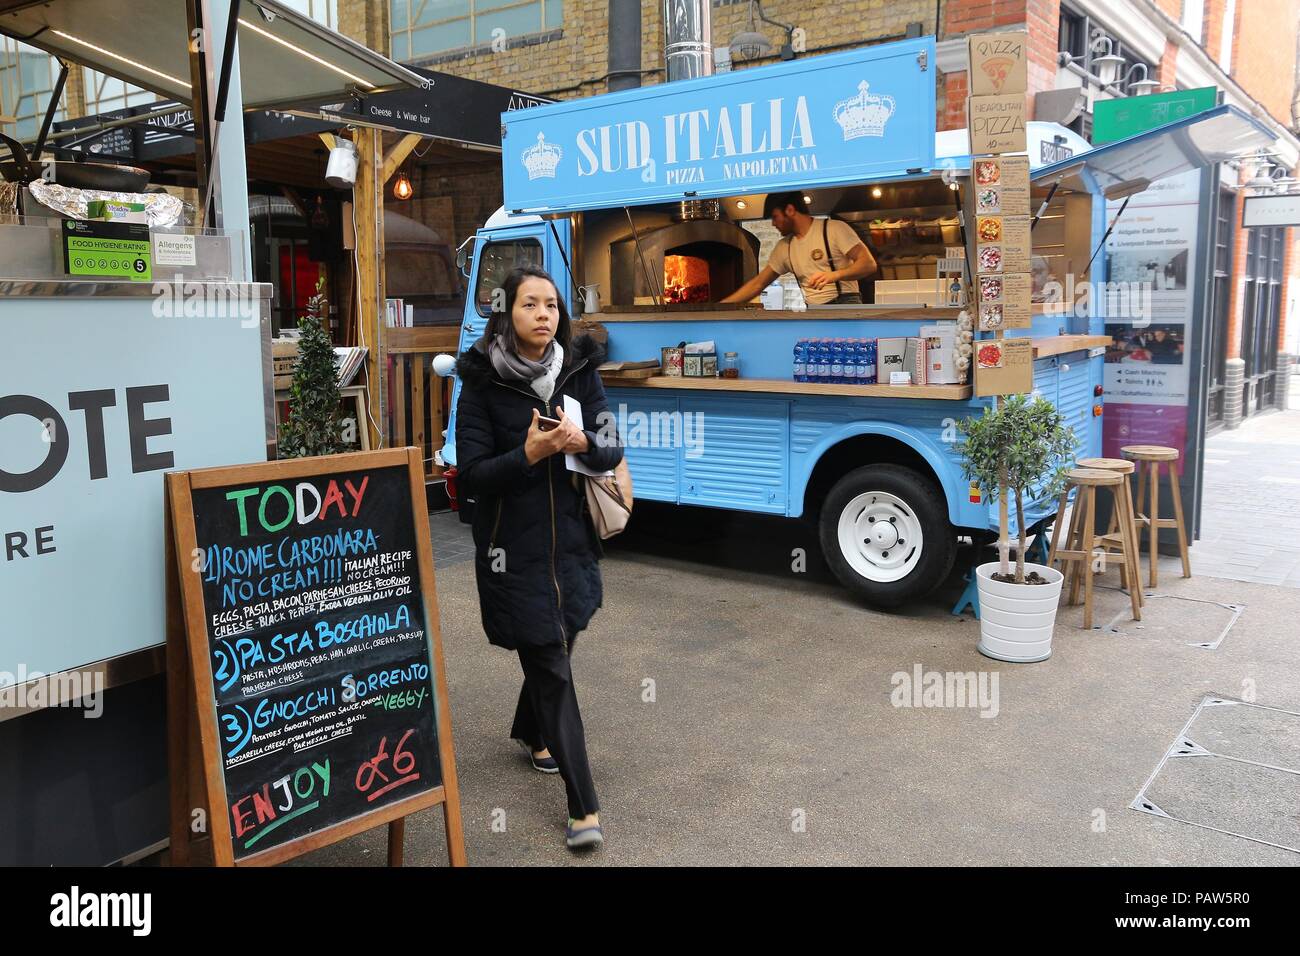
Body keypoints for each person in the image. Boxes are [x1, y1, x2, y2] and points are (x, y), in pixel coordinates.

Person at [454, 264, 623, 851]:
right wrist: (526, 454)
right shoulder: (480, 382)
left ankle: (533, 732)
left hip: (572, 542)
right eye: (531, 305)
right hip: (513, 550)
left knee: (562, 635)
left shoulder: (579, 371)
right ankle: (584, 806)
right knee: (551, 662)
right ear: (507, 312)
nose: (544, 315)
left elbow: (610, 448)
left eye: (551, 305)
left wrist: (584, 444)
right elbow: (471, 477)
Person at [721, 191, 877, 305]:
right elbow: (758, 284)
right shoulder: (784, 247)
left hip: (847, 306)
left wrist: (834, 275)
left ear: (789, 210)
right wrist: (721, 307)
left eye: (775, 217)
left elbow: (868, 264)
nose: (773, 224)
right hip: (814, 314)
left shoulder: (834, 229)